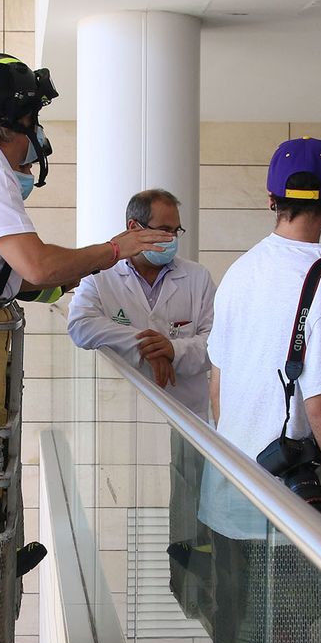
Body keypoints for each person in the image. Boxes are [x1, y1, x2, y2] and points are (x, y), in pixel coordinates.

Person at [0, 54, 173, 549]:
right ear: (13, 123)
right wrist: (114, 249)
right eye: (33, 121)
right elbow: (37, 265)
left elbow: (18, 277)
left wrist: (85, 273)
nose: (37, 137)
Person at [199, 136, 321, 539]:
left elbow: (218, 388)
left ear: (272, 197)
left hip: (229, 487)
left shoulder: (240, 270)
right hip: (291, 506)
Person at [68, 188, 215, 548]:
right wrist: (144, 344)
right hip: (124, 419)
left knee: (186, 513)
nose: (171, 239)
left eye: (176, 232)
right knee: (127, 514)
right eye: (164, 229)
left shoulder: (197, 278)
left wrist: (174, 349)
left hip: (186, 415)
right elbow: (80, 327)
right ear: (134, 227)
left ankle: (184, 570)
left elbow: (216, 343)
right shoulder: (100, 276)